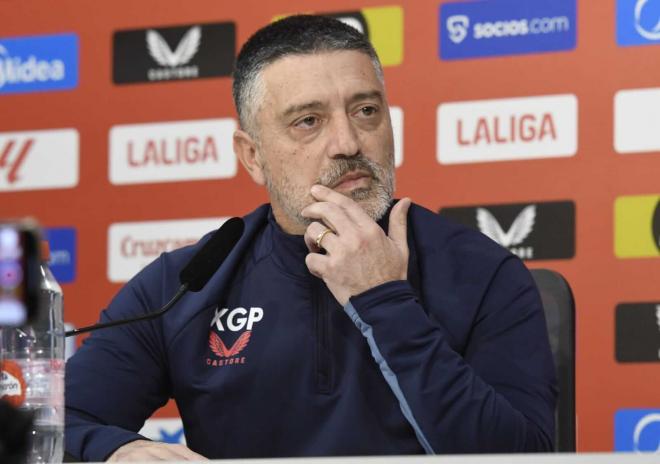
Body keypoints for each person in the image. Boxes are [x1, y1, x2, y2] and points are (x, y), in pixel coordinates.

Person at [65, 15, 557, 462]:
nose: (348, 143)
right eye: (309, 121)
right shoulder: (184, 284)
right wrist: (116, 450)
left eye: (366, 111)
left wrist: (384, 301)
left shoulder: (482, 272)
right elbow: (56, 424)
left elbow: (521, 455)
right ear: (252, 155)